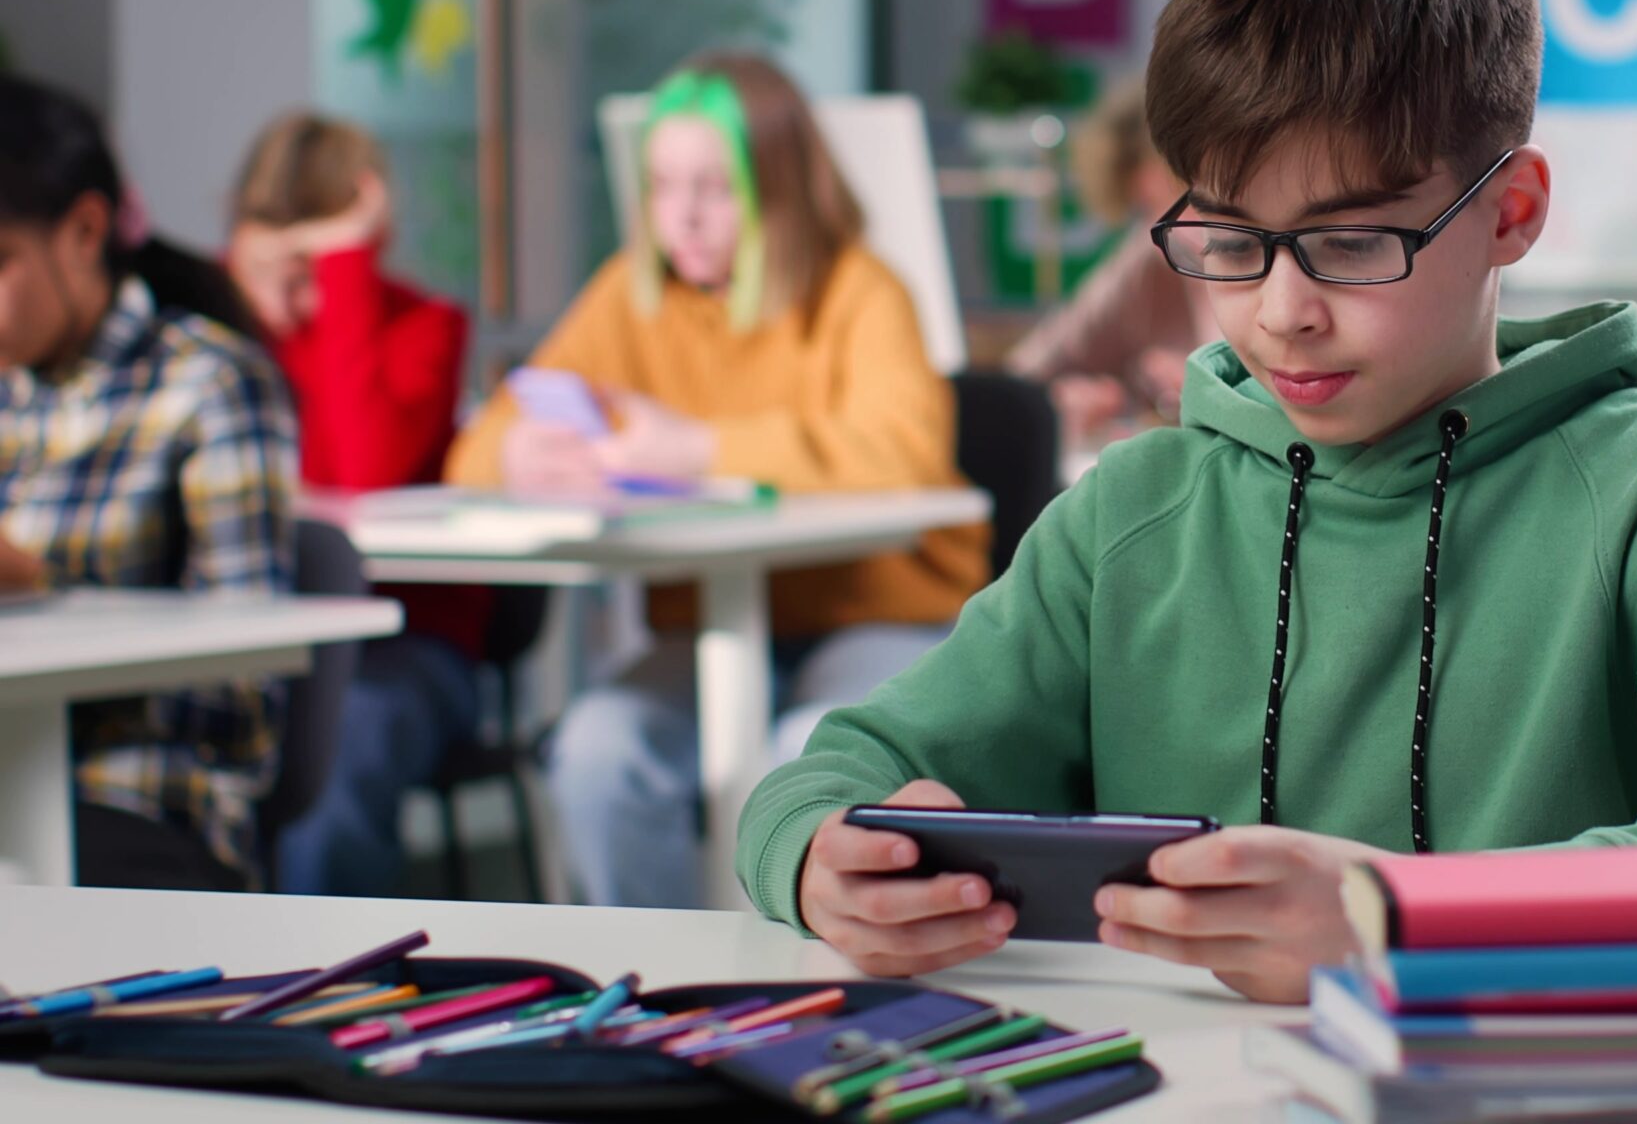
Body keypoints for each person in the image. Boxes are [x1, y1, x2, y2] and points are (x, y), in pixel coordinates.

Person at [745, 0, 1637, 1004]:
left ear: (1511, 212)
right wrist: (815, 858)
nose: (1281, 310)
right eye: (1230, 240)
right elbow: (839, 769)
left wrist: (1408, 919)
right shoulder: (1129, 512)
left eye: (1349, 245)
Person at [445, 52, 989, 908]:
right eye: (662, 187)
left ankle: (797, 994)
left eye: (714, 187)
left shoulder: (861, 290)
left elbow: (902, 449)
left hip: (881, 617)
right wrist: (516, 454)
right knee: (597, 751)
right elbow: (482, 443)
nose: (682, 218)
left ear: (778, 188)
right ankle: (664, 996)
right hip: (719, 631)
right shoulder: (635, 295)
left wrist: (699, 448)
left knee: (803, 759)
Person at [0, 74, 298, 889]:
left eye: (0, 263)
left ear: (84, 230)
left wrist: (49, 595)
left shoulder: (206, 384)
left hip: (139, 799)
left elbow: (247, 689)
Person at [226, 111, 487, 897]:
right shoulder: (225, 330)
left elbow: (365, 470)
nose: (299, 283)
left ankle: (325, 976)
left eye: (319, 255)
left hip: (406, 652)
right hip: (254, 637)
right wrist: (241, 301)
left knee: (340, 737)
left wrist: (342, 275)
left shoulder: (424, 327)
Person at [1005, 78, 1215, 438]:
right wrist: (1063, 404)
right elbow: (1024, 378)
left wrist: (1211, 390)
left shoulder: (1244, 256)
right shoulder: (1150, 258)